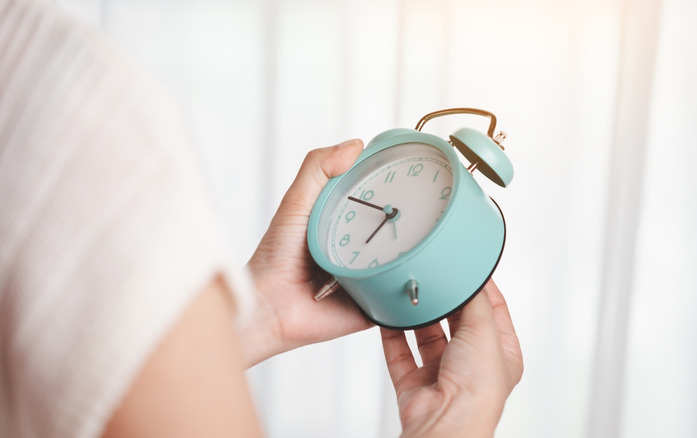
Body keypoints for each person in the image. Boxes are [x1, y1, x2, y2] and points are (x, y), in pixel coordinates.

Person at [0, 1, 523, 437]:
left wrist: (269, 309)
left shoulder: (35, 67)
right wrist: (460, 425)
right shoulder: (65, 89)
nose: (391, 211)